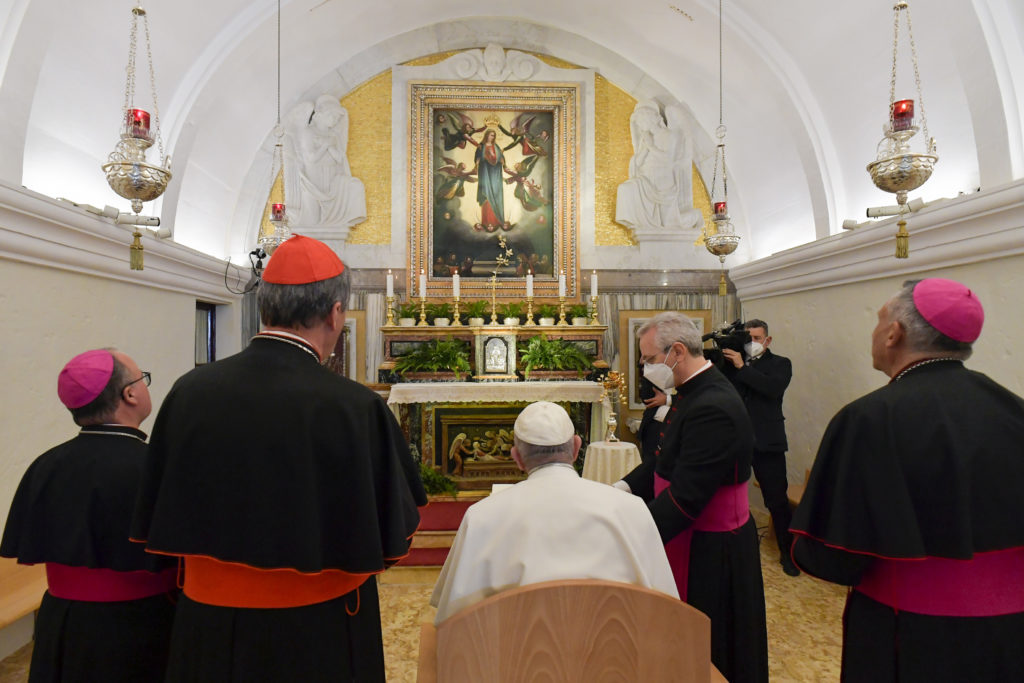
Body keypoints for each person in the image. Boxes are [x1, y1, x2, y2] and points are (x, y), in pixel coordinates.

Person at [130, 235, 426, 682]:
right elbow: (394, 535)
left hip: (211, 623)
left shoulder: (189, 392)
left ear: (265, 308)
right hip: (322, 626)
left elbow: (159, 510)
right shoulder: (355, 406)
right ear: (334, 313)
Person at [791, 278, 1024, 682]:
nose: (877, 330)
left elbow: (837, 557)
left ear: (894, 333)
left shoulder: (869, 418)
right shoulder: (1014, 409)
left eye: (879, 320)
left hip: (911, 633)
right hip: (1011, 633)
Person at [1, 349, 177, 682]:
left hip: (63, 624)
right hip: (142, 625)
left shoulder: (45, 465)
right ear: (130, 394)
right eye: (143, 379)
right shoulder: (157, 467)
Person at [615, 312, 768, 683]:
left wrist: (625, 534)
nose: (644, 366)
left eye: (649, 359)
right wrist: (621, 489)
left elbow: (685, 498)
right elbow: (663, 459)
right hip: (691, 536)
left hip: (711, 549)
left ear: (677, 351)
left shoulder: (712, 405)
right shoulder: (692, 392)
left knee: (709, 645)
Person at [431, 401, 678, 623]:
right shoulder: (632, 509)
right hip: (617, 664)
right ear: (576, 448)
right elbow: (667, 610)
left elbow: (454, 620)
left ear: (516, 457)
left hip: (514, 665)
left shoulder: (482, 517)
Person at [721, 319, 799, 576]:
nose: (752, 343)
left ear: (768, 340)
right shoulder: (731, 364)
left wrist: (743, 367)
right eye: (749, 338)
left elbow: (772, 389)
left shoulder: (781, 364)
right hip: (735, 440)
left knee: (777, 499)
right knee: (727, 493)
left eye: (757, 338)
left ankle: (788, 554)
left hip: (768, 440)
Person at [615, 101, 702, 235]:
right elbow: (637, 163)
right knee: (624, 189)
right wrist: (644, 147)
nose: (640, 126)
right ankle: (641, 222)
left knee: (670, 224)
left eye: (641, 122)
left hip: (662, 181)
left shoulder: (669, 135)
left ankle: (694, 216)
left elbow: (668, 160)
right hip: (645, 180)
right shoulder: (646, 137)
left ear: (651, 119)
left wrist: (650, 146)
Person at [284, 94, 367, 230]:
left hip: (333, 180)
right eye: (333, 117)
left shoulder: (333, 135)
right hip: (314, 181)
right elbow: (311, 159)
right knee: (312, 221)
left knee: (356, 185)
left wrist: (329, 145)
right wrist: (325, 146)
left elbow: (339, 158)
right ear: (322, 115)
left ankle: (344, 218)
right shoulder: (308, 133)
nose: (335, 121)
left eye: (336, 118)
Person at [472, 128, 513, 232]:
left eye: (494, 135)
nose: (492, 137)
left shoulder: (496, 146)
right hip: (485, 173)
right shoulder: (481, 147)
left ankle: (498, 221)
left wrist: (504, 165)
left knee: (496, 194)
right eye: (491, 135)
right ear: (486, 135)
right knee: (486, 194)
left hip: (495, 174)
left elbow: (502, 159)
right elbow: (477, 159)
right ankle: (486, 223)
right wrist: (477, 165)